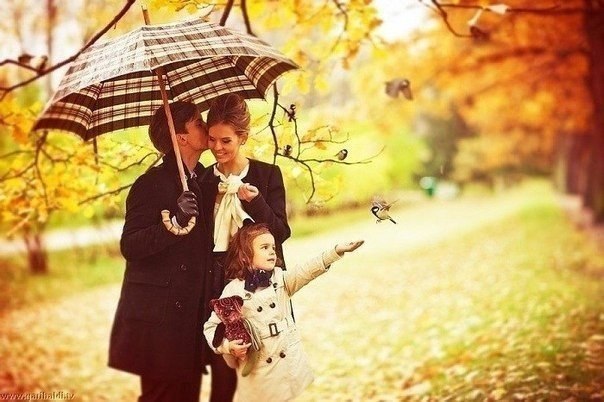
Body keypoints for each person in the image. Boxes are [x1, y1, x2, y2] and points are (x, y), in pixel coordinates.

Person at [108, 101, 214, 402]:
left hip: (190, 319)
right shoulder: (150, 184)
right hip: (161, 323)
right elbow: (130, 245)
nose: (205, 126)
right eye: (198, 123)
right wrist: (175, 222)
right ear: (181, 137)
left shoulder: (203, 180)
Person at [198, 94, 291, 400]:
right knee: (225, 376)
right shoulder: (202, 181)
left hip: (261, 287)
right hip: (220, 288)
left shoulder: (267, 175)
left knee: (267, 372)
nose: (217, 148)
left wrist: (256, 202)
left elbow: (281, 233)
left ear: (243, 137)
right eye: (211, 139)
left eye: (225, 140)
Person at [203, 223, 364, 401]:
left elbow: (307, 270)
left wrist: (335, 251)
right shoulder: (233, 290)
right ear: (245, 255)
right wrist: (228, 346)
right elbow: (211, 328)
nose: (272, 252)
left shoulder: (280, 279)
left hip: (288, 364)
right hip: (259, 369)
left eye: (273, 247)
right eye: (264, 247)